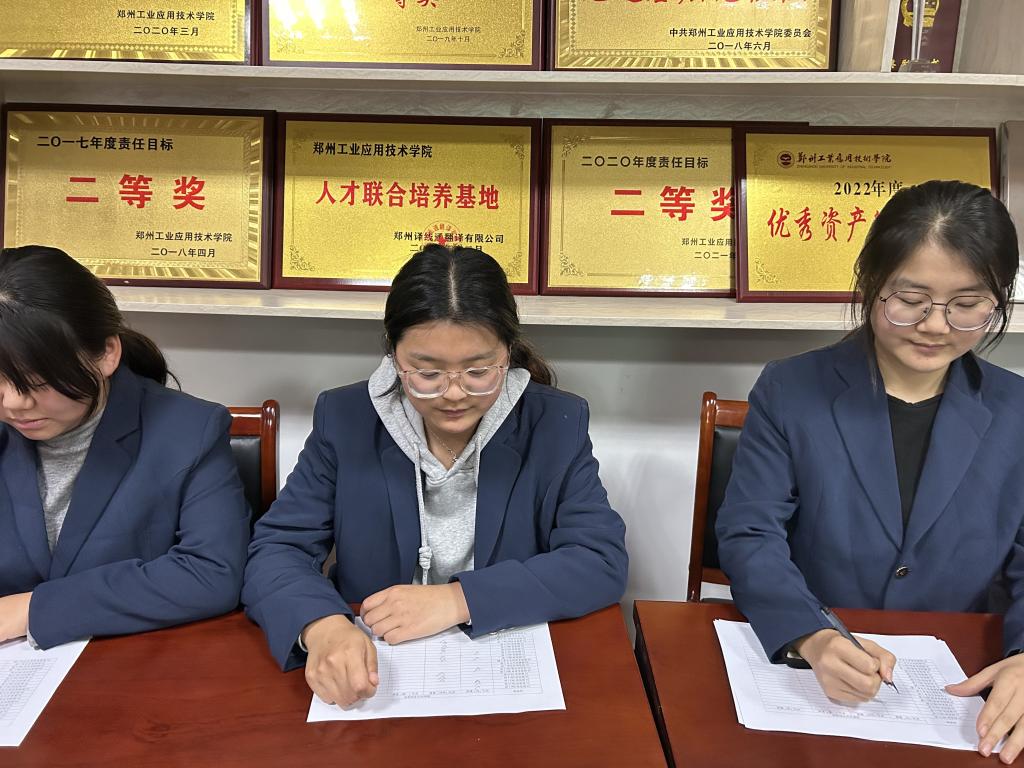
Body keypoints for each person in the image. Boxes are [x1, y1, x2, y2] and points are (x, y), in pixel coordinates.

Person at [716, 180, 1024, 763]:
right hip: (820, 671)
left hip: (962, 684)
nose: (936, 326)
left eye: (967, 304)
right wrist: (810, 633)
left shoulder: (1018, 410)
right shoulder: (791, 389)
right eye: (910, 298)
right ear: (871, 282)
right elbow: (749, 533)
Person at [242, 244, 628, 707]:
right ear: (394, 356)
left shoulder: (553, 424)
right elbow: (277, 549)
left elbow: (599, 560)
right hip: (378, 669)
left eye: (479, 371)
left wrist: (457, 601)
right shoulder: (346, 419)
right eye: (427, 373)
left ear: (507, 353)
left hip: (503, 663)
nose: (454, 393)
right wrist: (320, 626)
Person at [0, 245, 250, 648]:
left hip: (131, 661)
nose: (14, 404)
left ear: (106, 354)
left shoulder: (189, 430)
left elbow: (211, 573)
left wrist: (31, 610)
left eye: (37, 380)